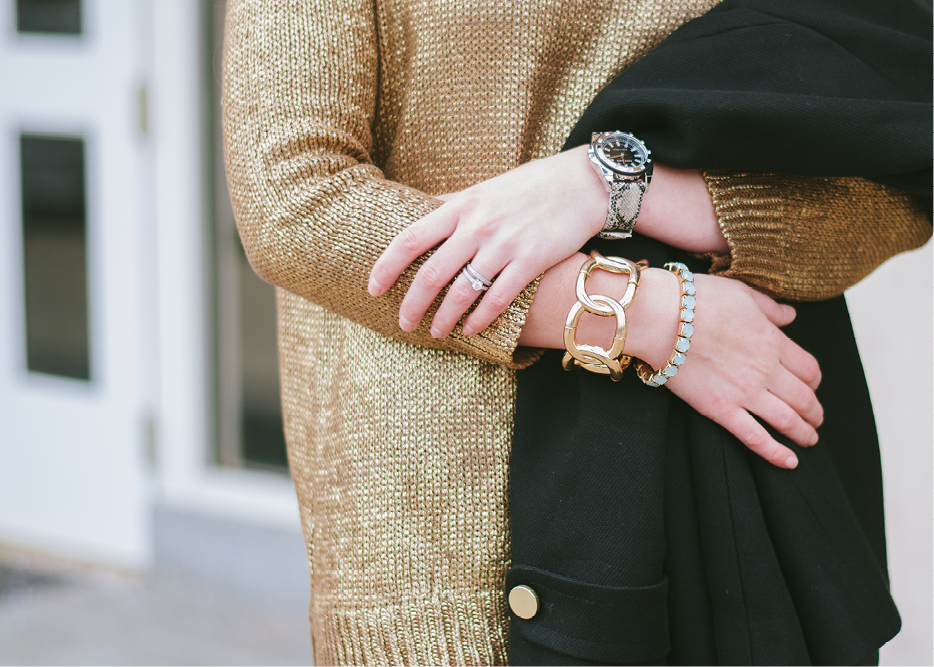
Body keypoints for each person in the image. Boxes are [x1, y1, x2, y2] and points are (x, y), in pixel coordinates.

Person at [222, 0, 930, 664]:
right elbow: (292, 203)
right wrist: (652, 315)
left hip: (724, 508)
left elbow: (896, 177)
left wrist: (609, 185)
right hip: (441, 534)